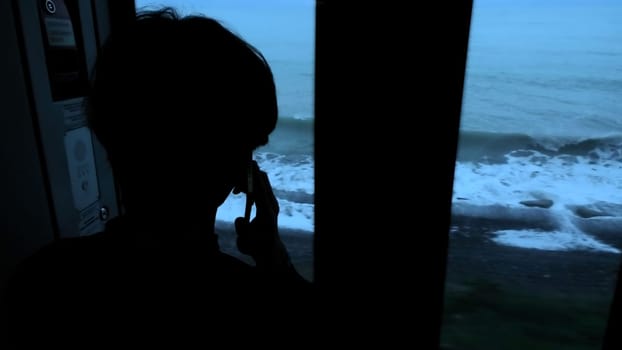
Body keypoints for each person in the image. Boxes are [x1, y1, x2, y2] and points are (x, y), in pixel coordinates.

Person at [5, 7, 312, 345]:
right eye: (250, 144)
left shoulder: (42, 276)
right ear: (239, 172)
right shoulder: (259, 308)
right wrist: (275, 260)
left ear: (109, 134)